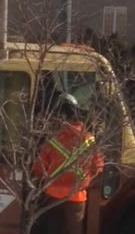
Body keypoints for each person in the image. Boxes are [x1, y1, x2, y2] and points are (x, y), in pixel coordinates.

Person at [33, 93, 104, 234]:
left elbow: (39, 168)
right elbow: (98, 167)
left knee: (53, 229)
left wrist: (46, 181)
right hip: (77, 196)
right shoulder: (89, 140)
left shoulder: (54, 139)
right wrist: (85, 181)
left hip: (52, 196)